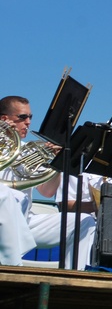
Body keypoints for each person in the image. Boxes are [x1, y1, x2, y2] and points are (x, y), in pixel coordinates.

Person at [0, 96, 95, 269]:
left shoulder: (27, 149)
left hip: (23, 221)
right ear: (4, 119)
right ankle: (12, 268)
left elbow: (47, 192)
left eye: (30, 117)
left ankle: (74, 279)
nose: (28, 122)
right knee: (10, 194)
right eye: (22, 117)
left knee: (85, 221)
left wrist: (56, 164)